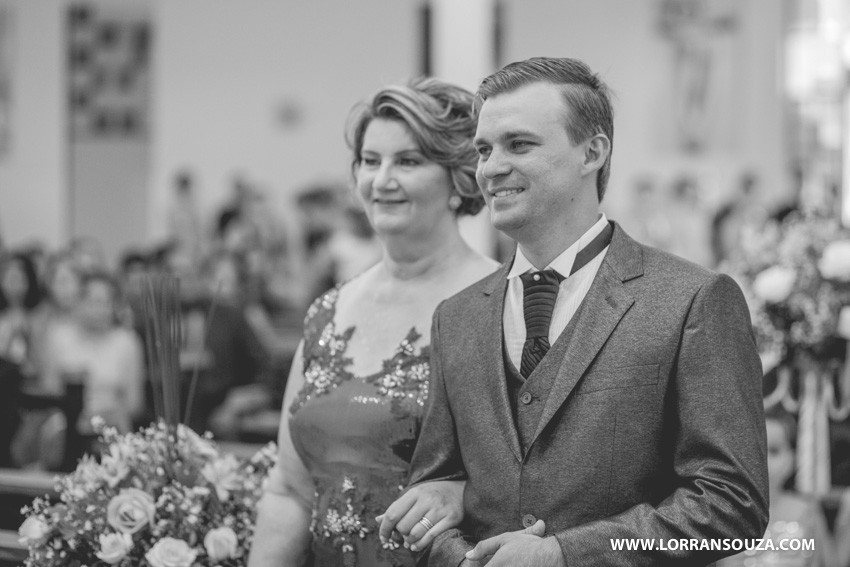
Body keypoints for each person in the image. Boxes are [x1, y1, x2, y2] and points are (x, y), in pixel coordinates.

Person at [403, 57, 768, 566]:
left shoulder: (692, 300)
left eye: (520, 144)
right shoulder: (457, 316)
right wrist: (459, 557)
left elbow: (733, 508)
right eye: (484, 149)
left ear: (592, 152)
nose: (491, 167)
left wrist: (566, 554)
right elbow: (435, 486)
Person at [247, 77, 499, 566]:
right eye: (370, 160)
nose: (381, 180)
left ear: (459, 179)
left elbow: (532, 482)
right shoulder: (328, 313)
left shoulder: (498, 302)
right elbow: (290, 490)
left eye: (408, 161)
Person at [718, 407, 834, 567]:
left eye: (774, 451)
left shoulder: (807, 511)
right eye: (754, 450)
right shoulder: (722, 510)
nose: (762, 461)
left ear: (792, 458)